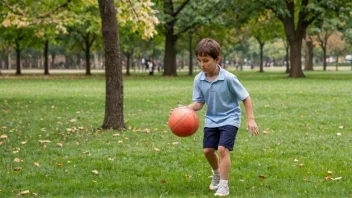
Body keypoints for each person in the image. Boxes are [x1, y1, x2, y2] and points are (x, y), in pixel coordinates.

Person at [186, 38, 259, 196]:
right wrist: (186, 109)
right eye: (199, 61)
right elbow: (199, 102)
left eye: (206, 60)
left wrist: (251, 118)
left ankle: (224, 185)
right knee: (207, 151)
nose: (202, 64)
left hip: (230, 118)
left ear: (217, 59)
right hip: (211, 119)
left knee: (222, 149)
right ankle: (217, 174)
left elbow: (245, 97)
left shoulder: (229, 78)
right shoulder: (199, 79)